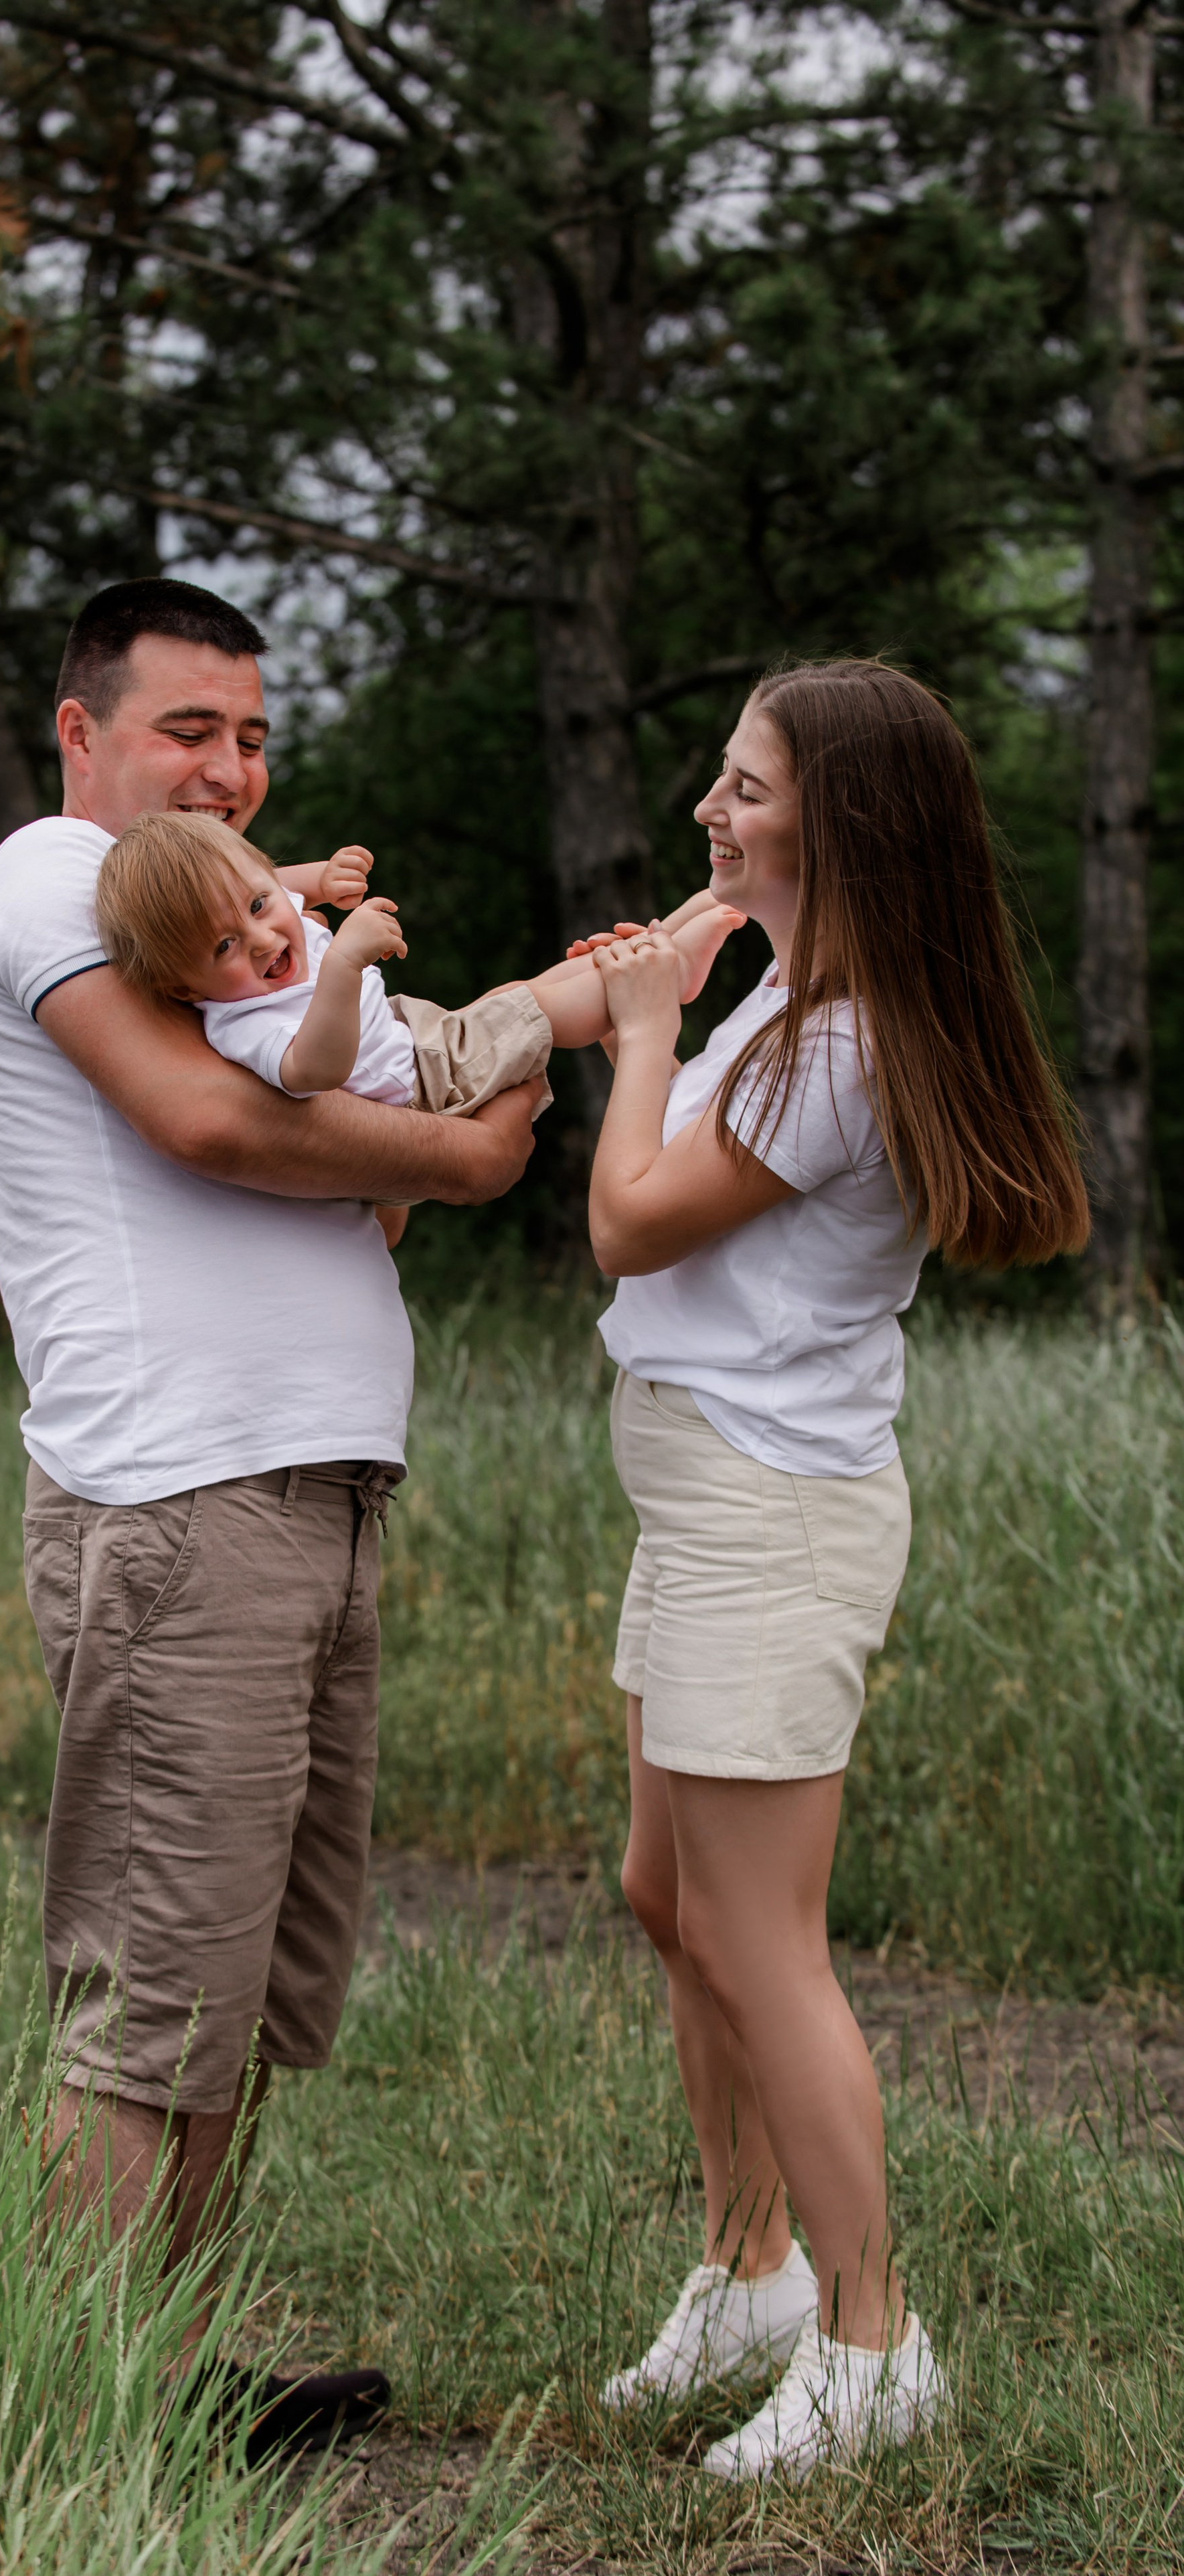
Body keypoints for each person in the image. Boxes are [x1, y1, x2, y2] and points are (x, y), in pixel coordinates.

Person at [0, 576, 542, 2460]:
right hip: (180, 1492)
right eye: (187, 728)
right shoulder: (58, 874)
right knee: (156, 1983)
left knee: (244, 1981)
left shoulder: (241, 930)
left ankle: (169, 2376)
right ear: (84, 734)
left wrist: (419, 1116)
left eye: (251, 734)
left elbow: (322, 1171)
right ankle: (70, 2420)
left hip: (314, 1488)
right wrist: (459, 1148)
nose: (228, 767)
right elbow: (207, 1127)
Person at [584, 659, 1088, 2480]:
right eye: (720, 779)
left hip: (767, 1515)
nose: (713, 811)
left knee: (759, 1938)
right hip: (704, 1496)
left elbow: (630, 1215)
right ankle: (750, 2270)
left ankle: (878, 2344)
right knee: (666, 1890)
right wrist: (665, 998)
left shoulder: (837, 1044)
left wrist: (646, 1025)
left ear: (840, 823)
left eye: (747, 788)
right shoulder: (795, 1007)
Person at [93, 809, 745, 1126]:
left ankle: (663, 946)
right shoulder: (238, 1024)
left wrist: (317, 879)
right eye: (224, 948)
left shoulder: (256, 911)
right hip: (419, 1086)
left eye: (261, 904)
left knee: (528, 990)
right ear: (184, 986)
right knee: (542, 1012)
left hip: (414, 1036)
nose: (263, 938)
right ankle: (660, 975)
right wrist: (344, 961)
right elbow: (312, 1071)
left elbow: (252, 883)